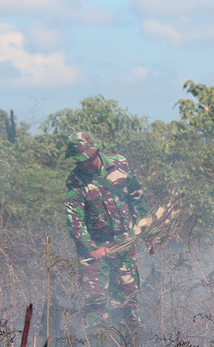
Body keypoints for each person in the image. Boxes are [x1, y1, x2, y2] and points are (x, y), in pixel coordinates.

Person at [64, 131, 150, 335]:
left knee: (128, 299)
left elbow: (136, 198)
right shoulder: (75, 182)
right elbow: (74, 220)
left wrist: (149, 233)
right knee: (96, 304)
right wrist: (90, 248)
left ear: (96, 152)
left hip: (125, 246)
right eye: (77, 162)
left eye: (85, 160)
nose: (81, 165)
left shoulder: (120, 164)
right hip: (96, 252)